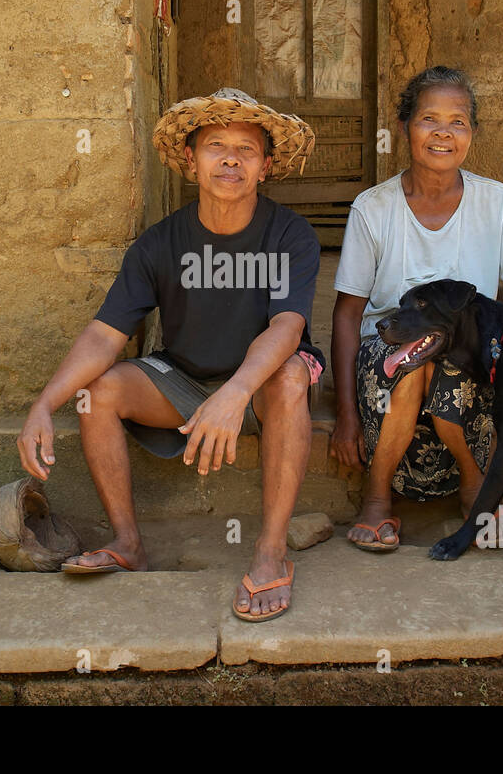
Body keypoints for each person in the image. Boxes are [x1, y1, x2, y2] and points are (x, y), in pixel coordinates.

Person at [18, 88, 324, 621]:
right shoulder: (160, 244)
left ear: (266, 166)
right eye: (215, 146)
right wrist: (44, 403)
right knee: (99, 392)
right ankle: (128, 542)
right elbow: (105, 335)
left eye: (247, 149)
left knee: (292, 375)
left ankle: (271, 551)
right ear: (191, 161)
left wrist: (234, 393)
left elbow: (288, 326)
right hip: (185, 378)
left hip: (262, 388)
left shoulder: (289, 234)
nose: (231, 159)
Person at [329, 66, 503, 550]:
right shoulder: (374, 208)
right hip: (388, 366)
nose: (443, 133)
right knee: (413, 361)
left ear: (471, 132)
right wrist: (346, 415)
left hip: (468, 374)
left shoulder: (498, 204)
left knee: (450, 359)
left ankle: (475, 490)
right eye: (429, 118)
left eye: (458, 121)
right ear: (407, 126)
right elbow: (347, 314)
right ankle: (377, 498)